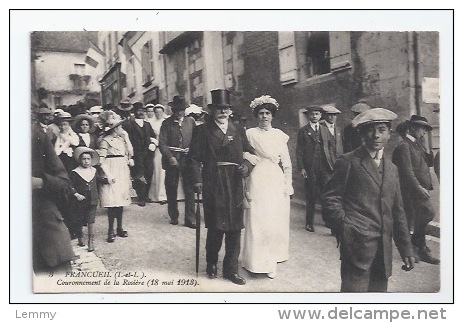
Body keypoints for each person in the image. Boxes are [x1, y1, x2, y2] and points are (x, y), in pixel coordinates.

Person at [322, 108, 414, 292]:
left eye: (381, 130)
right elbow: (330, 198)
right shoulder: (348, 161)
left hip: (383, 252)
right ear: (362, 134)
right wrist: (345, 228)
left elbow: (398, 211)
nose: (376, 135)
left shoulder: (392, 169)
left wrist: (406, 249)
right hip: (356, 247)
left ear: (389, 134)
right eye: (370, 130)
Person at [188, 89, 255, 285]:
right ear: (212, 110)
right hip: (213, 182)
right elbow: (193, 159)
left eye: (225, 108)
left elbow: (250, 153)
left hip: (235, 183)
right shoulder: (202, 130)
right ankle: (211, 263)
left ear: (230, 111)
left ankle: (231, 270)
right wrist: (198, 181)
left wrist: (247, 167)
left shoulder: (238, 129)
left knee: (235, 228)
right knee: (216, 227)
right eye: (219, 108)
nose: (223, 112)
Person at [241, 95, 293, 279]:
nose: (264, 117)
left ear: (272, 116)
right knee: (257, 219)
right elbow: (241, 150)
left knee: (273, 221)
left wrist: (288, 184)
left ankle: (271, 261)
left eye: (267, 113)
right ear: (257, 115)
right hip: (257, 178)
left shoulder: (279, 136)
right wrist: (247, 155)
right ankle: (252, 261)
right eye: (261, 113)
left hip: (275, 179)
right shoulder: (250, 134)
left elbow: (286, 163)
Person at [32, 106, 76, 274]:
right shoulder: (47, 133)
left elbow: (62, 182)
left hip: (41, 225)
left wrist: (38, 182)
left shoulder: (37, 136)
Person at [392, 115, 439, 265]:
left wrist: (426, 148)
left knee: (420, 216)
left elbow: (430, 163)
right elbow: (407, 171)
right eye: (421, 128)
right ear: (411, 128)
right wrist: (418, 187)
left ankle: (418, 244)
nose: (424, 132)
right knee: (425, 213)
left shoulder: (417, 144)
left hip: (419, 188)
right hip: (410, 190)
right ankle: (416, 246)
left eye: (425, 129)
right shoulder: (404, 146)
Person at [296, 105, 336, 232]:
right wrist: (302, 168)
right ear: (309, 116)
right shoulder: (303, 131)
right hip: (310, 167)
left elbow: (330, 147)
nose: (315, 116)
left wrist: (332, 163)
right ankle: (309, 223)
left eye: (317, 114)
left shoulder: (324, 130)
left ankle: (328, 221)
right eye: (312, 114)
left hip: (324, 166)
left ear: (320, 116)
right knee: (311, 195)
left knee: (326, 195)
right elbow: (299, 151)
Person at [159, 96, 197, 228]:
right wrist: (170, 157)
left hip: (187, 159)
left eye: (181, 110)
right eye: (176, 110)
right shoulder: (166, 123)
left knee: (190, 189)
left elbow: (196, 139)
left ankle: (190, 218)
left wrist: (191, 151)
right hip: (173, 160)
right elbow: (162, 143)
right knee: (171, 187)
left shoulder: (191, 122)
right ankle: (173, 215)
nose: (178, 112)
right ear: (172, 110)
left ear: (185, 110)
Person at [98, 114, 133, 243]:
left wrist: (127, 138)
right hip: (111, 169)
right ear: (115, 128)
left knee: (120, 201)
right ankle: (110, 230)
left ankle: (119, 228)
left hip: (122, 169)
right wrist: (108, 175)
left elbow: (130, 152)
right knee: (112, 202)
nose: (122, 129)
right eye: (120, 127)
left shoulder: (121, 139)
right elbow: (101, 160)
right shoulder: (106, 140)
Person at [122, 102, 156, 207]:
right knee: (139, 174)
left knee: (149, 173)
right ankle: (141, 197)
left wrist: (152, 144)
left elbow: (153, 136)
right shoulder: (129, 125)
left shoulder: (147, 124)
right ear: (135, 112)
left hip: (148, 154)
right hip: (137, 153)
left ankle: (145, 195)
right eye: (139, 110)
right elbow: (126, 140)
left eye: (142, 111)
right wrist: (129, 154)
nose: (141, 113)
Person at [69, 147, 100, 252]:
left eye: (88, 159)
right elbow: (70, 185)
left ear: (91, 160)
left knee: (91, 220)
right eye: (84, 159)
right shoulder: (75, 172)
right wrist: (76, 194)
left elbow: (98, 180)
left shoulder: (94, 171)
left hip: (92, 200)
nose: (86, 161)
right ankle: (80, 235)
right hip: (80, 201)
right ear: (80, 160)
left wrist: (108, 180)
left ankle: (91, 241)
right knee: (80, 219)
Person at [145, 104, 168, 203]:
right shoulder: (151, 123)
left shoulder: (167, 122)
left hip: (166, 148)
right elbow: (150, 135)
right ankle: (157, 195)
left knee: (166, 172)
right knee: (158, 171)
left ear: (163, 112)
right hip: (157, 149)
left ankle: (166, 194)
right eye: (156, 112)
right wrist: (154, 141)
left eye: (160, 112)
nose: (158, 114)